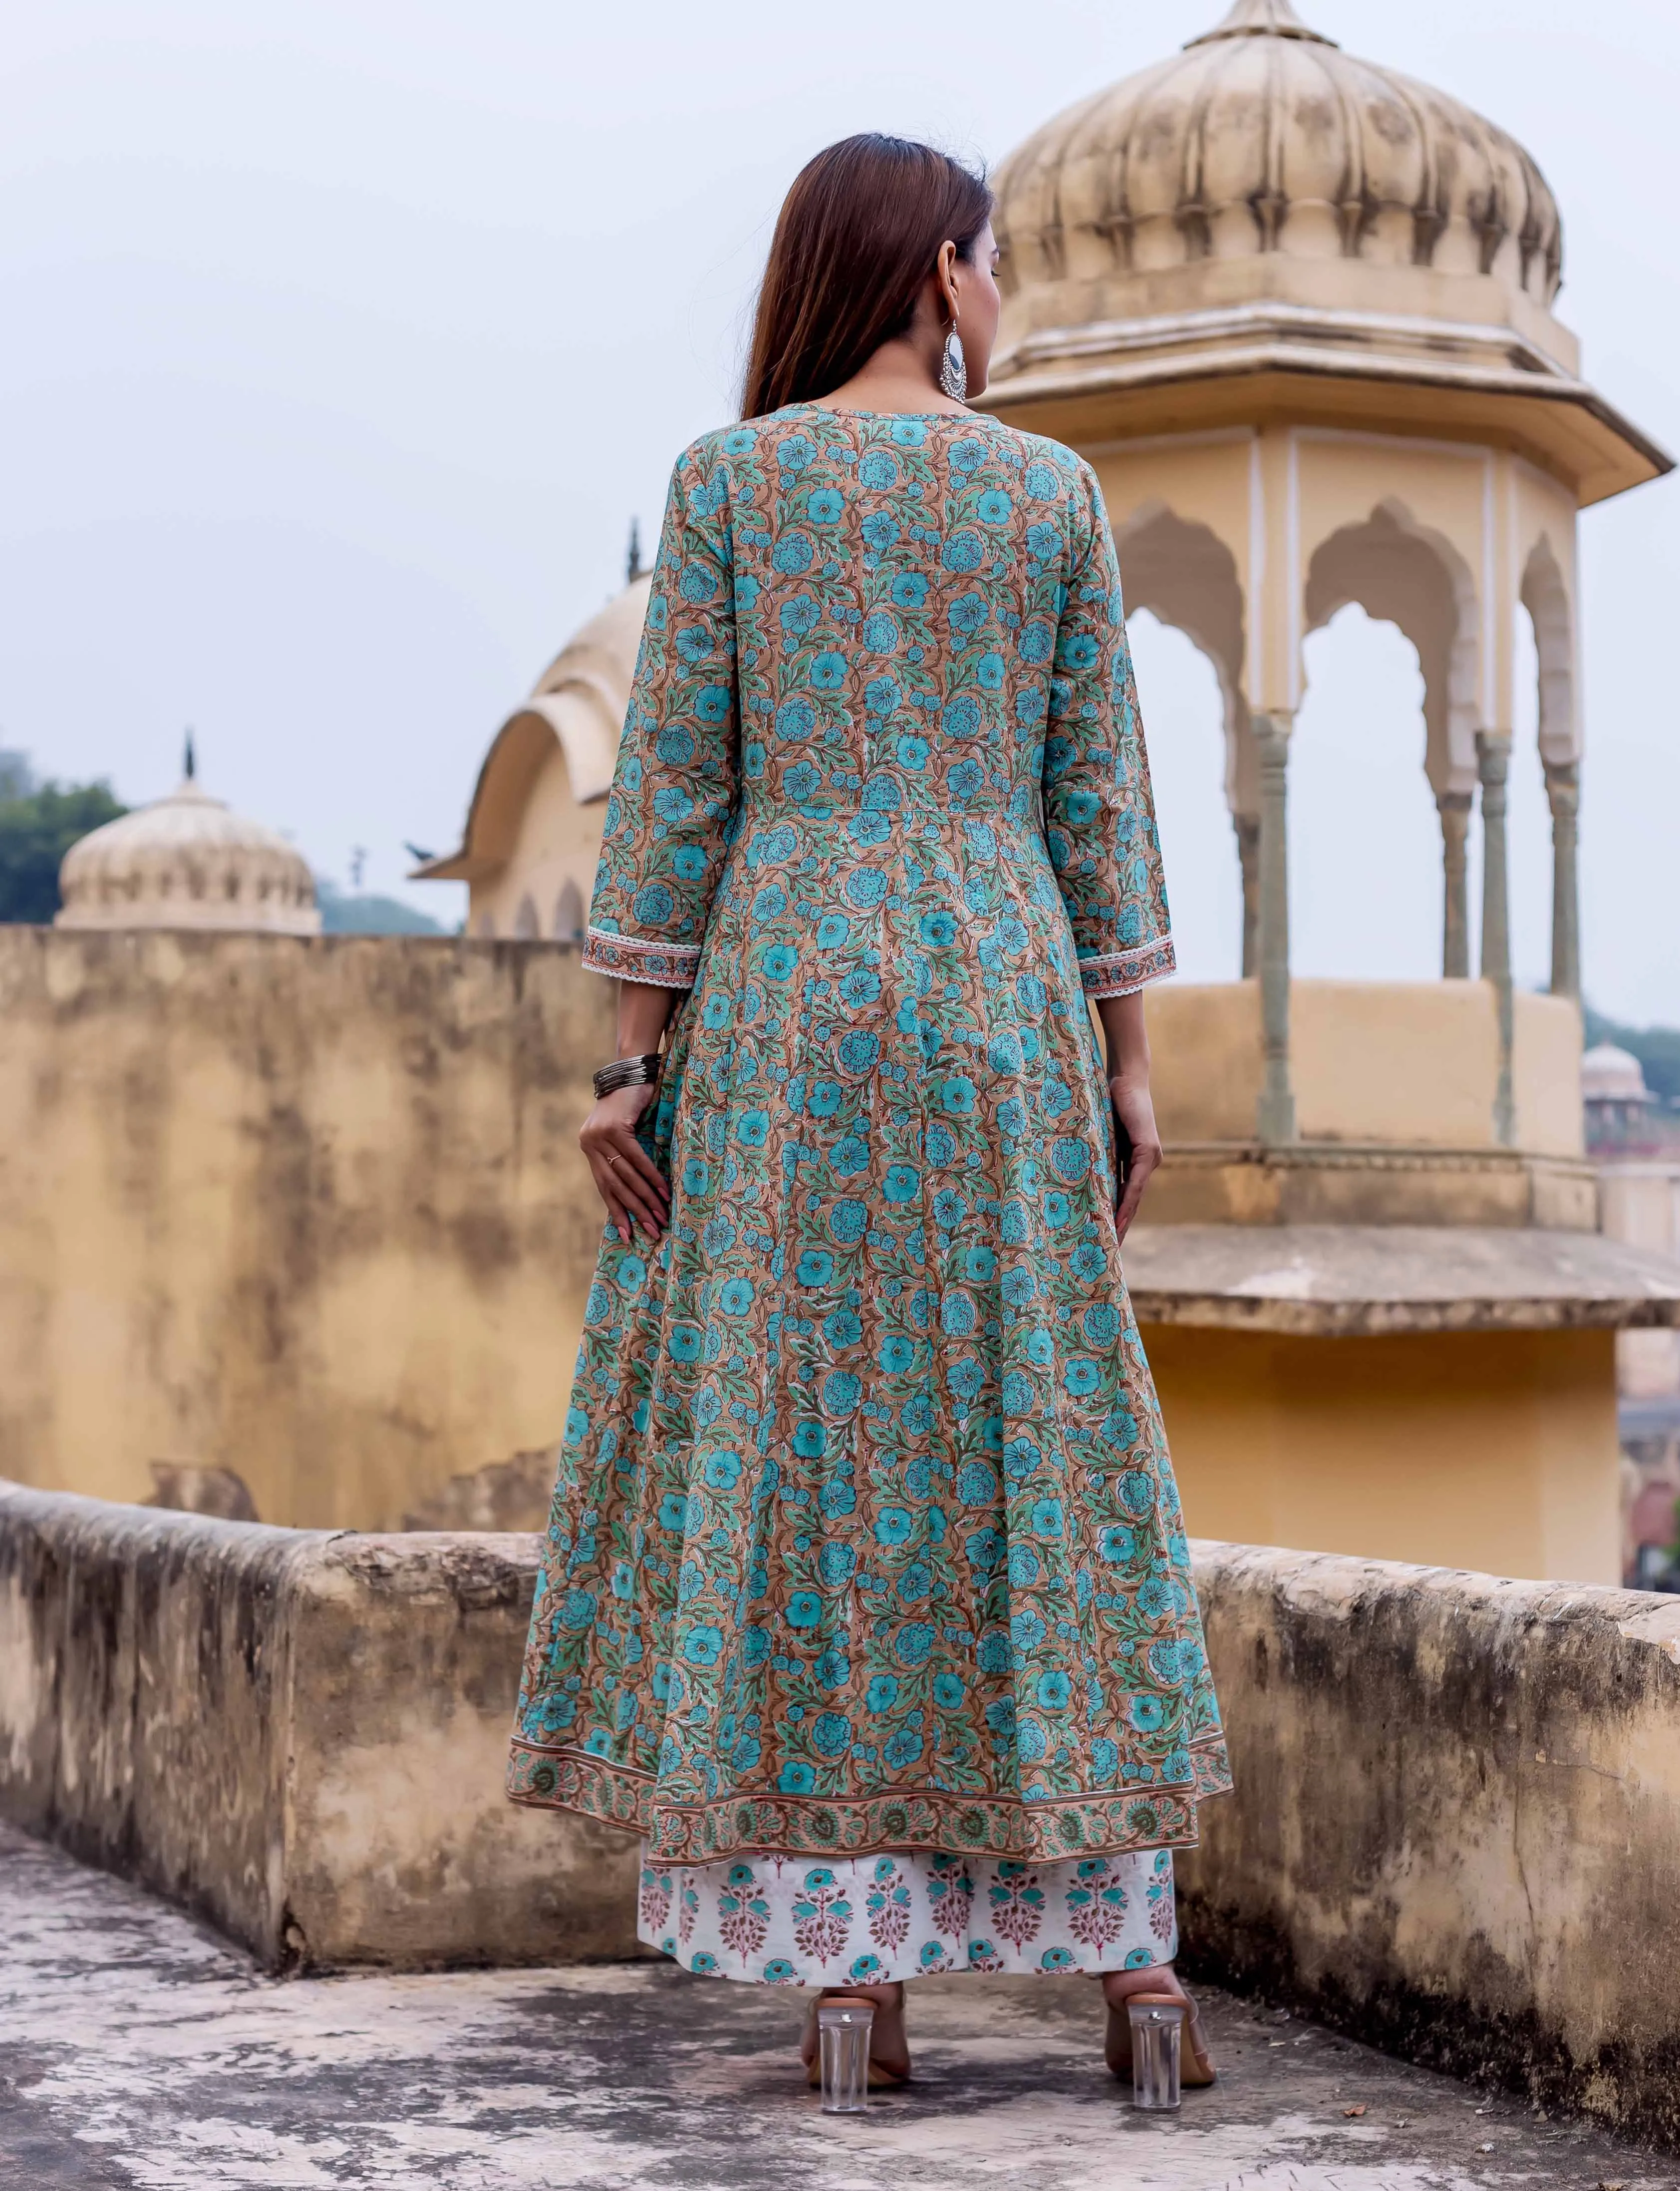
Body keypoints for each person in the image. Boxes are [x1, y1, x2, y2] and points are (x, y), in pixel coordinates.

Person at [509, 131, 1230, 2088]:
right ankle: (1135, 1973)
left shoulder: (730, 483)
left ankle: (854, 1978)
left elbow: (670, 799)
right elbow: (1101, 799)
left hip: (790, 1012)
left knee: (818, 1462)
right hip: (1003, 996)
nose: (1005, 300)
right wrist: (1133, 1064)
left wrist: (626, 1064)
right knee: (1043, 1452)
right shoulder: (1049, 499)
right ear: (933, 269)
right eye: (992, 264)